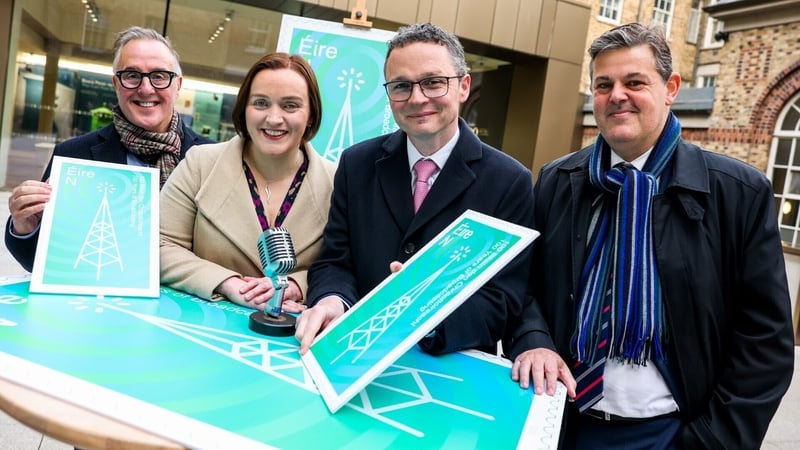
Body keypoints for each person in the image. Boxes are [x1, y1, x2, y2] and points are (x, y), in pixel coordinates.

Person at [507, 22, 795, 449]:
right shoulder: (557, 180)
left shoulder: (737, 192)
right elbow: (525, 285)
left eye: (634, 81)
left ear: (671, 87)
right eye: (603, 84)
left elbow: (764, 343)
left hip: (670, 433)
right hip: (558, 420)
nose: (616, 95)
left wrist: (710, 441)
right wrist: (533, 339)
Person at [295, 23, 535, 355]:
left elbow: (504, 298)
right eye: (401, 86)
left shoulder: (509, 182)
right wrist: (333, 301)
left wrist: (423, 316)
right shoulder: (356, 164)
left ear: (464, 86)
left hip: (446, 365)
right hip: (352, 352)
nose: (417, 98)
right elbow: (335, 260)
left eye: (434, 82)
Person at [4, 26, 213, 272]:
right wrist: (25, 226)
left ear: (177, 85)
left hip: (187, 303)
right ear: (116, 83)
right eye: (132, 75)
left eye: (159, 75)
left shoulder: (212, 160)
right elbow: (41, 263)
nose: (145, 88)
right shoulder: (73, 154)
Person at [159, 53, 335, 311]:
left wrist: (297, 285)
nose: (274, 118)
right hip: (201, 329)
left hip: (292, 337)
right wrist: (228, 283)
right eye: (261, 103)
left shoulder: (338, 182)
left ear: (310, 114)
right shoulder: (200, 165)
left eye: (290, 105)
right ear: (244, 109)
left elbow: (350, 265)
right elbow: (159, 246)